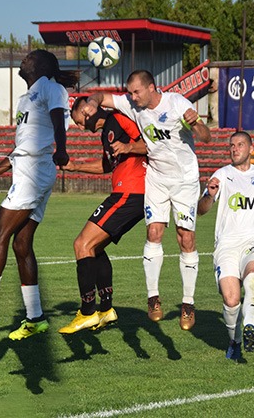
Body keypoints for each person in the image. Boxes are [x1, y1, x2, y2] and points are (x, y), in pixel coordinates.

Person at [0, 50, 78, 340]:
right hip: (27, 169)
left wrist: (62, 147)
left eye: (30, 57)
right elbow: (19, 150)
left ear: (42, 66)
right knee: (21, 245)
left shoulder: (50, 86)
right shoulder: (26, 99)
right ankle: (35, 318)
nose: (24, 59)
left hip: (35, 171)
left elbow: (59, 117)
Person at [81, 70, 211, 331]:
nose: (132, 97)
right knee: (154, 232)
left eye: (137, 92)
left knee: (185, 237)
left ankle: (188, 303)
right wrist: (93, 101)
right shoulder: (132, 104)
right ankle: (153, 298)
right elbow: (103, 96)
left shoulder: (177, 103)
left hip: (184, 180)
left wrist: (196, 122)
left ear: (152, 87)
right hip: (156, 178)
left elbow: (206, 137)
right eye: (130, 92)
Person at [58, 96, 148, 334]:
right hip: (127, 193)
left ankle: (87, 312)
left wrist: (130, 147)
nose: (78, 126)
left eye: (77, 120)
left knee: (82, 244)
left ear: (86, 111)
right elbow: (108, 166)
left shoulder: (118, 118)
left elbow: (151, 143)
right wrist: (76, 167)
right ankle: (106, 309)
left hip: (131, 193)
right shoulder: (106, 131)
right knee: (95, 248)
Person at [198, 131, 254, 361]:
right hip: (226, 244)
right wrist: (209, 195)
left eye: (239, 145)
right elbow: (202, 209)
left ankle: (251, 324)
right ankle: (236, 340)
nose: (234, 149)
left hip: (253, 240)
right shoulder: (222, 174)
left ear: (251, 148)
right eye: (231, 145)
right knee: (231, 299)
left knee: (253, 276)